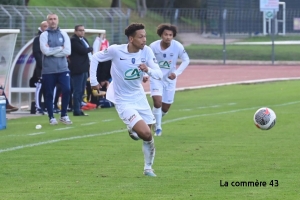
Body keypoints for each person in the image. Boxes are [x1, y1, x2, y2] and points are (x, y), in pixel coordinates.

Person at [90, 23, 163, 177]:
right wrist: (93, 82)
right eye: (140, 37)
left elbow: (159, 74)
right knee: (146, 133)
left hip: (139, 96)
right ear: (131, 39)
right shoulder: (117, 50)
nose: (144, 39)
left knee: (148, 134)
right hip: (122, 99)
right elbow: (96, 57)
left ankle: (148, 168)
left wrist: (147, 70)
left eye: (145, 36)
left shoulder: (147, 51)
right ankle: (132, 127)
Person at [149, 23, 190, 136]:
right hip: (156, 78)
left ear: (173, 36)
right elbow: (146, 60)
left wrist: (176, 73)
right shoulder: (153, 46)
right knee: (157, 102)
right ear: (161, 35)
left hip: (170, 80)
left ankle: (151, 120)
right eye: (165, 34)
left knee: (165, 108)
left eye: (170, 35)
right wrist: (147, 73)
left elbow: (186, 60)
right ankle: (158, 127)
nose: (168, 37)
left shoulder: (178, 46)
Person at [39, 13, 72, 125]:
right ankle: (51, 117)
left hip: (63, 69)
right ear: (47, 22)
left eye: (54, 19)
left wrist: (53, 50)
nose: (52, 21)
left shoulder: (63, 34)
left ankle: (64, 115)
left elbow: (67, 51)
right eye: (50, 19)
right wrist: (60, 49)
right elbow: (45, 52)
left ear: (57, 20)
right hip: (48, 70)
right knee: (48, 93)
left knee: (67, 90)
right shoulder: (44, 35)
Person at [69, 25, 93, 116]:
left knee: (82, 90)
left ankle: (79, 108)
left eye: (83, 30)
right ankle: (76, 110)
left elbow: (87, 50)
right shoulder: (73, 40)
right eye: (80, 30)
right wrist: (90, 49)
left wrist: (89, 49)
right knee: (77, 90)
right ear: (75, 31)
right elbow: (82, 50)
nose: (82, 32)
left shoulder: (84, 40)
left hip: (84, 68)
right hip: (77, 68)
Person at [32, 21, 49, 115]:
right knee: (40, 87)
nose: (47, 28)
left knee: (50, 88)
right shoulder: (37, 39)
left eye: (48, 26)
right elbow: (36, 54)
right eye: (45, 26)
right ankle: (38, 108)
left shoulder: (51, 38)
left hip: (51, 68)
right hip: (41, 68)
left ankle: (49, 106)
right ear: (41, 28)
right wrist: (43, 65)